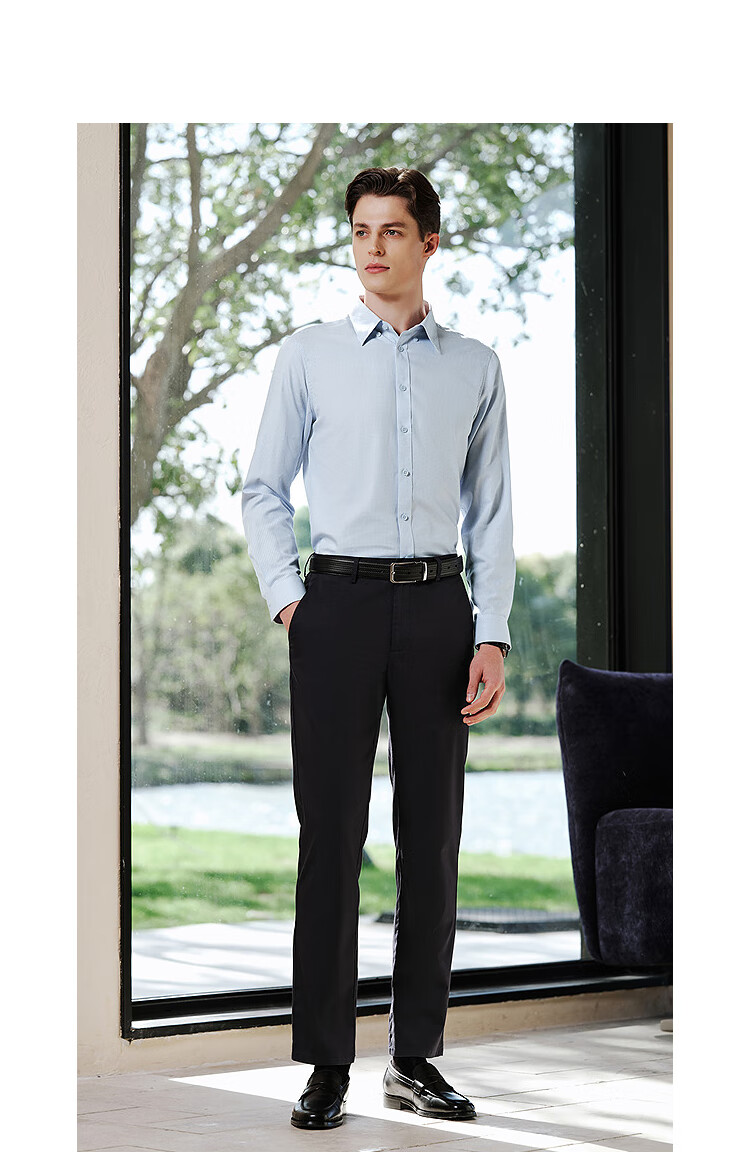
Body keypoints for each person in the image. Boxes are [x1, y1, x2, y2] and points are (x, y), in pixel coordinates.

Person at [242, 166, 515, 1129]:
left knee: (431, 841)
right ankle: (327, 1065)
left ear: (428, 243)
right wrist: (292, 603)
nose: (372, 247)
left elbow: (492, 510)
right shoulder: (309, 356)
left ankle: (414, 1058)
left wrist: (492, 630)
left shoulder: (475, 366)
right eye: (360, 230)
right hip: (336, 607)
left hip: (440, 608)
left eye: (392, 231)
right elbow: (263, 487)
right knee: (331, 838)